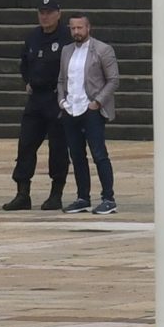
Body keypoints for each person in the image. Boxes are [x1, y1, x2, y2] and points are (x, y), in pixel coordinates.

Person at [5, 0, 72, 212]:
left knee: (58, 148)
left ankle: (56, 193)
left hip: (57, 98)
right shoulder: (33, 36)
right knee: (25, 145)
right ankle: (22, 193)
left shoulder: (66, 37)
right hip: (36, 99)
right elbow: (24, 62)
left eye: (49, 12)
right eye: (42, 12)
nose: (45, 16)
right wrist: (28, 81)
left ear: (58, 14)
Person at [57, 13, 119, 216]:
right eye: (73, 28)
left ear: (88, 28)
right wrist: (62, 101)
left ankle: (108, 197)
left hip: (91, 108)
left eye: (80, 28)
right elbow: (61, 79)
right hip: (71, 108)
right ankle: (82, 197)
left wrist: (97, 102)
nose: (76, 32)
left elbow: (113, 80)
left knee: (99, 154)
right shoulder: (66, 50)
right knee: (76, 155)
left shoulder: (102, 49)